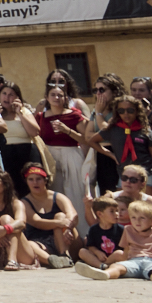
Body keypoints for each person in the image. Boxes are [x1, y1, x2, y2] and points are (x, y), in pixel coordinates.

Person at [36, 71, 95, 233]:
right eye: (53, 95)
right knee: (55, 194)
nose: (56, 98)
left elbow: (86, 139)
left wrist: (67, 130)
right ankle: (61, 233)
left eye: (60, 95)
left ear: (65, 98)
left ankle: (83, 233)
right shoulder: (40, 117)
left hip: (72, 154)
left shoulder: (74, 115)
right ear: (47, 98)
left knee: (76, 193)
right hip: (50, 157)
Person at [76, 198, 152, 282]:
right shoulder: (128, 229)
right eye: (133, 218)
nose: (137, 221)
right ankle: (105, 274)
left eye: (142, 218)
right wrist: (120, 263)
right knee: (117, 267)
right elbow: (126, 251)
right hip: (134, 261)